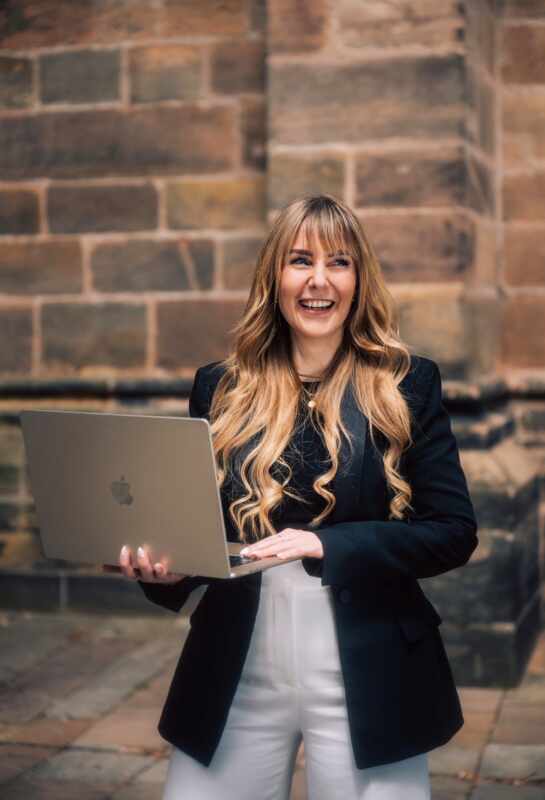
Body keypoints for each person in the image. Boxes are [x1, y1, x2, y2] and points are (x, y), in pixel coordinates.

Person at [113, 194, 478, 799]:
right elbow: (195, 532)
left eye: (338, 262)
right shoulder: (220, 387)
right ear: (273, 278)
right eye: (299, 260)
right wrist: (160, 569)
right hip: (238, 665)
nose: (318, 280)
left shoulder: (408, 383)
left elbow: (452, 530)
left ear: (358, 280)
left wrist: (324, 543)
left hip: (368, 664)